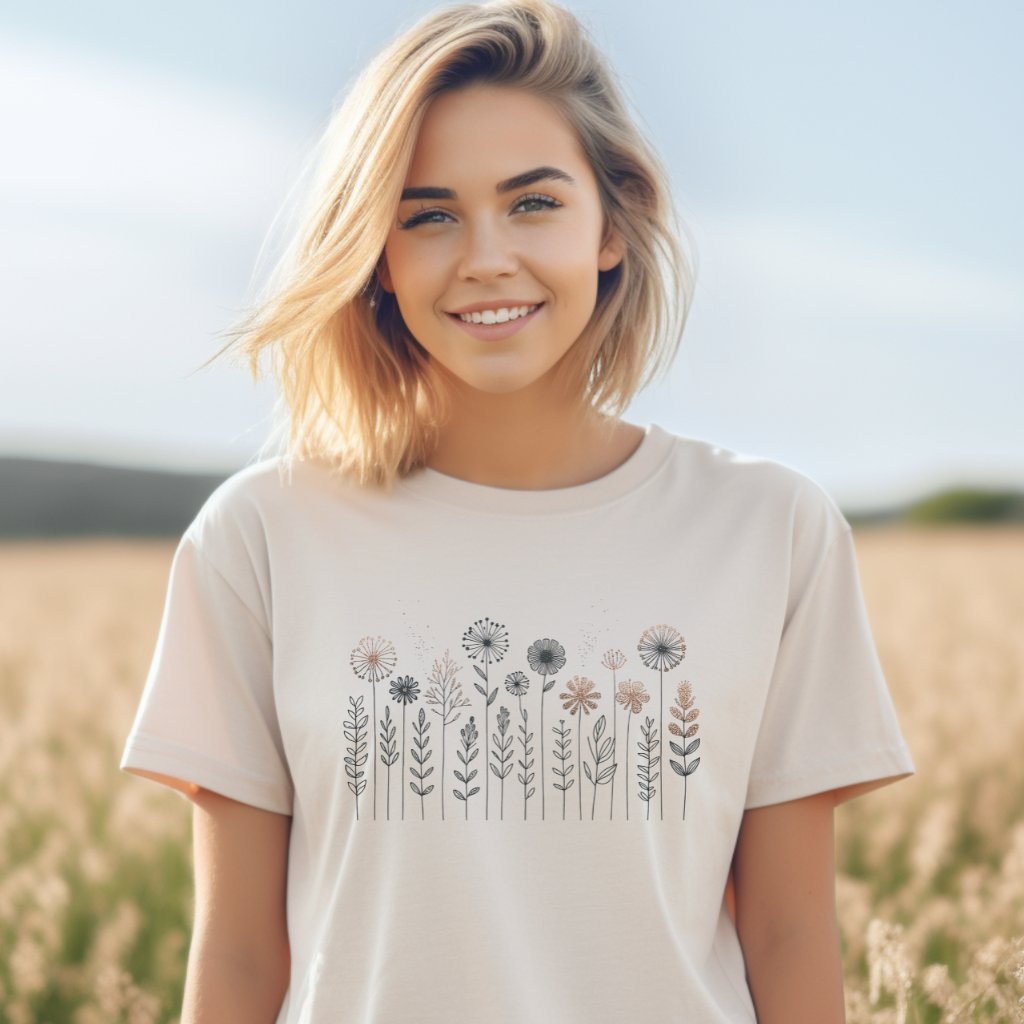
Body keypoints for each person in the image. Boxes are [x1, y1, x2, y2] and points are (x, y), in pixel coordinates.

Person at [119, 1, 916, 1021]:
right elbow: (236, 956)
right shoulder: (259, 539)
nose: (484, 256)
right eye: (428, 214)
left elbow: (789, 933)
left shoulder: (772, 529)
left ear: (615, 226)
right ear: (378, 256)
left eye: (532, 203)